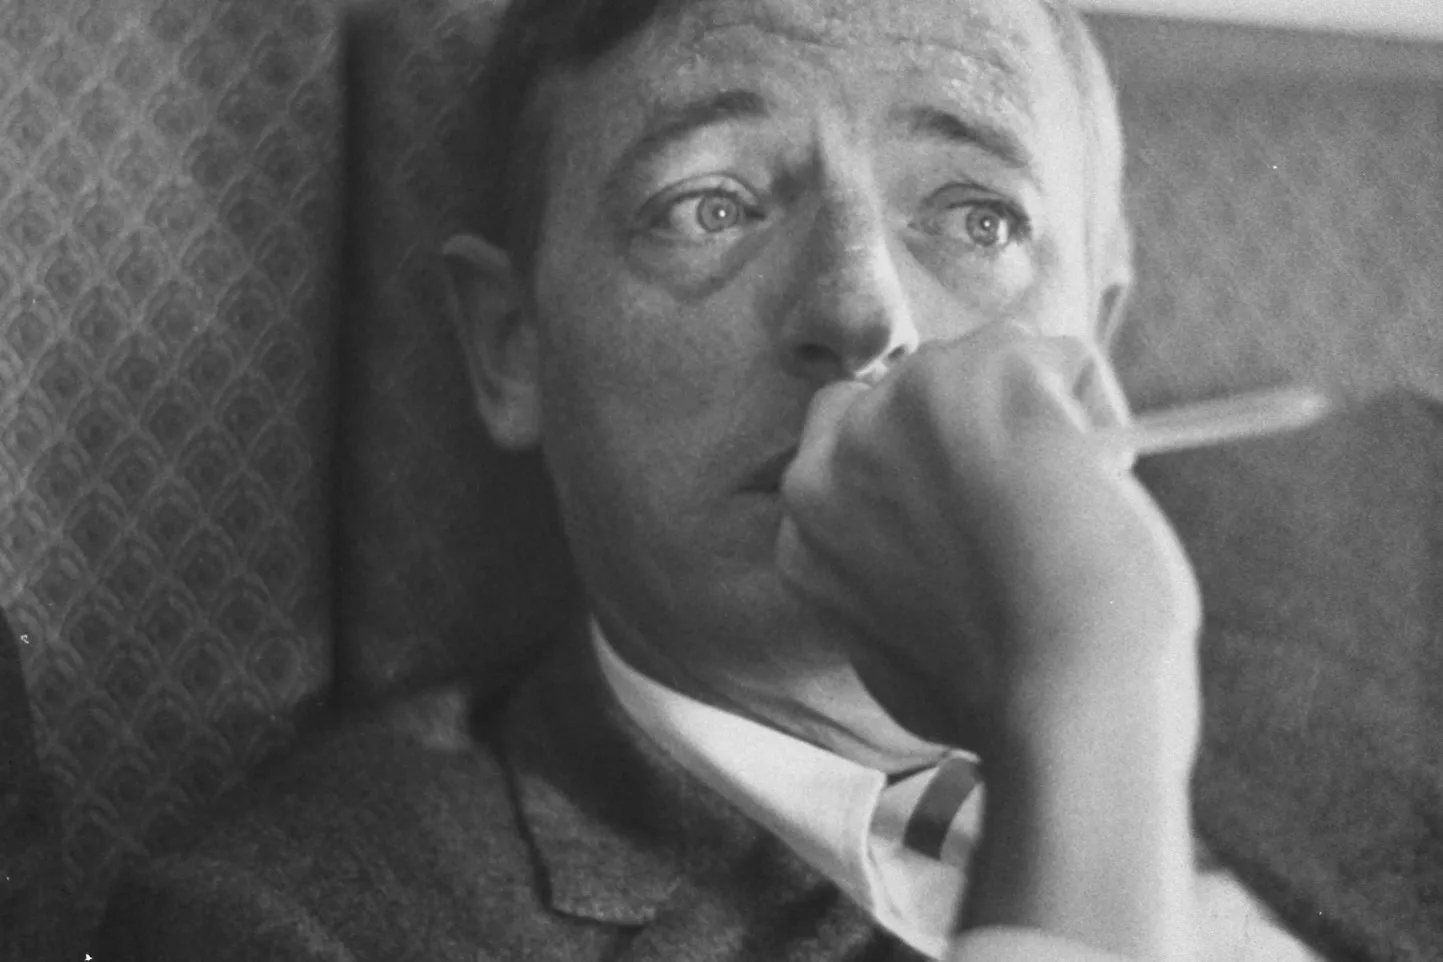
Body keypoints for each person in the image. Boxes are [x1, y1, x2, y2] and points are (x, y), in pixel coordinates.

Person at [93, 0, 1441, 959]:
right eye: (712, 205)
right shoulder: (298, 922)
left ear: (1093, 330)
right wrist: (1083, 701)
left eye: (977, 215)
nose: (861, 314)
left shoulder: (1377, 702)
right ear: (512, 346)